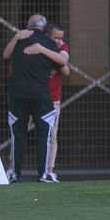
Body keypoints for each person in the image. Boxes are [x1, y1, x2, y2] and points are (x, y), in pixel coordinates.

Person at [2, 14, 68, 183]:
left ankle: (15, 173)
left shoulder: (18, 41)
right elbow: (64, 65)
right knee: (44, 135)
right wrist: (42, 50)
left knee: (18, 135)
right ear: (45, 29)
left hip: (18, 95)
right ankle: (44, 174)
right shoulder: (48, 43)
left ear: (28, 26)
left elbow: (6, 55)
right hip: (41, 96)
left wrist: (17, 37)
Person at [43, 22, 70, 182]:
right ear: (47, 37)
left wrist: (56, 58)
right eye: (56, 38)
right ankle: (13, 168)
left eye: (61, 38)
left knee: (52, 136)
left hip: (54, 99)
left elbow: (65, 68)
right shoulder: (39, 48)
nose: (60, 41)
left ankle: (50, 169)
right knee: (22, 132)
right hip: (36, 97)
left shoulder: (62, 48)